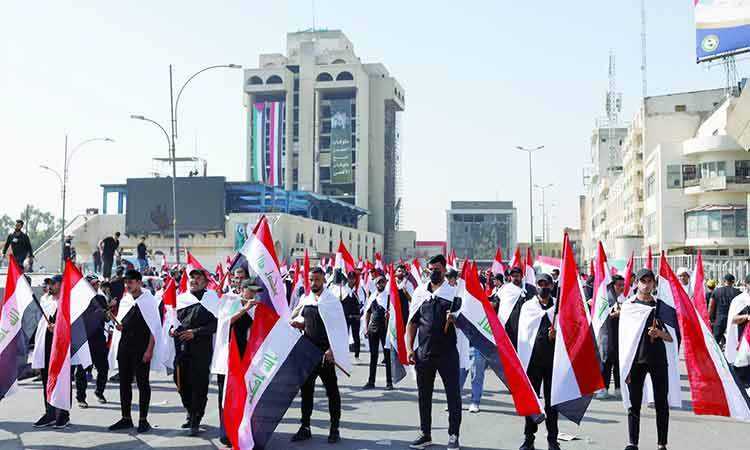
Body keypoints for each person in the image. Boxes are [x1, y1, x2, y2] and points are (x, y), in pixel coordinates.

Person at [406, 254, 462, 450]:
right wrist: (409, 348)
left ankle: (453, 435)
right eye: (430, 269)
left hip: (447, 354)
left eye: (437, 269)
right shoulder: (420, 293)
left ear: (444, 270)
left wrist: (455, 319)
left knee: (453, 395)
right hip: (424, 353)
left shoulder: (454, 294)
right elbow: (412, 323)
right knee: (424, 395)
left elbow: (464, 323)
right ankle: (425, 434)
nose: (433, 272)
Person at [289, 266, 349, 444]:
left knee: (332, 392)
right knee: (306, 392)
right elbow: (302, 319)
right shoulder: (306, 299)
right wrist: (298, 323)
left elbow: (339, 329)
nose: (314, 283)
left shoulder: (332, 301)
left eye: (317, 279)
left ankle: (334, 428)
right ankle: (305, 426)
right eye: (311, 279)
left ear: (324, 280)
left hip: (326, 355)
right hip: (308, 353)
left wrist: (332, 349)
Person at [619, 269, 676, 450]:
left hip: (659, 360)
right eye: (643, 280)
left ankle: (662, 444)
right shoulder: (629, 306)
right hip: (636, 362)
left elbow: (672, 337)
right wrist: (625, 367)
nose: (646, 284)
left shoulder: (662, 306)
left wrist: (659, 333)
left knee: (661, 404)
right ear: (637, 283)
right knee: (634, 404)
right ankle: (632, 442)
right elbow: (624, 339)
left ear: (654, 283)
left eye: (650, 281)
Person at [108, 269, 161, 433]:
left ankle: (143, 420)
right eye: (126, 282)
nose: (127, 285)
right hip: (125, 347)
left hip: (141, 348)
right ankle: (126, 418)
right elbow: (124, 323)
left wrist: (149, 350)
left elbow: (154, 328)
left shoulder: (149, 300)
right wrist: (119, 326)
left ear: (138, 282)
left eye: (130, 282)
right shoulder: (125, 300)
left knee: (142, 383)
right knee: (124, 383)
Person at [513, 273, 561, 450]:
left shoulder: (558, 307)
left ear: (551, 285)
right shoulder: (528, 307)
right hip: (532, 362)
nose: (543, 287)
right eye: (540, 284)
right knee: (531, 401)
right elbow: (523, 332)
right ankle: (529, 437)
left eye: (546, 284)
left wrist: (557, 335)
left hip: (553, 363)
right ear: (536, 286)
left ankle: (552, 439)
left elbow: (567, 332)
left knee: (552, 404)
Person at [212, 277, 260, 446]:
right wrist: (244, 309)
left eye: (256, 292)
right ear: (242, 289)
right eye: (251, 290)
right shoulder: (230, 301)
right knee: (225, 395)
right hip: (227, 355)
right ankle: (225, 431)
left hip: (244, 354)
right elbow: (224, 323)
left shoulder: (254, 308)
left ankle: (241, 430)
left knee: (243, 395)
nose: (253, 294)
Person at [171, 267, 219, 436]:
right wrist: (172, 329)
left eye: (198, 278)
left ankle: (196, 418)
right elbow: (173, 321)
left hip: (202, 349)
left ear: (206, 282)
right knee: (181, 382)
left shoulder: (212, 299)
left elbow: (215, 325)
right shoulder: (181, 299)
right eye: (192, 278)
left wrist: (195, 333)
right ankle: (190, 411)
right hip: (182, 349)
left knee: (199, 384)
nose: (194, 280)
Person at [30, 275, 70, 429]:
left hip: (61, 347)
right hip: (46, 345)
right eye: (49, 284)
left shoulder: (66, 302)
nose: (50, 286)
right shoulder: (46, 301)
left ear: (61, 285)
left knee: (62, 379)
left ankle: (63, 415)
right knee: (47, 379)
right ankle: (50, 413)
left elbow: (71, 323)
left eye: (53, 283)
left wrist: (58, 327)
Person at [74, 274, 110, 407]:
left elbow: (106, 318)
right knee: (82, 369)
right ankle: (81, 397)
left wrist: (107, 312)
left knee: (103, 368)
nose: (96, 286)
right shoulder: (79, 299)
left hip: (99, 337)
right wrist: (96, 313)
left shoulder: (101, 298)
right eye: (93, 284)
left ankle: (99, 391)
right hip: (84, 338)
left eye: (97, 284)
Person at [363, 271, 393, 390]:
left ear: (386, 283)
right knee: (373, 356)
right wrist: (366, 327)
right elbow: (367, 312)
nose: (380, 284)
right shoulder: (372, 296)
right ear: (375, 283)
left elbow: (394, 313)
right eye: (378, 282)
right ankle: (371, 381)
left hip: (385, 330)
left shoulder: (389, 296)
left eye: (382, 282)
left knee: (387, 356)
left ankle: (389, 382)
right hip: (372, 329)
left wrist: (389, 316)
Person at [597, 274, 624, 400]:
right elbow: (600, 315)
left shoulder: (622, 298)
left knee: (618, 361)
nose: (622, 288)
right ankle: (604, 388)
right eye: (619, 285)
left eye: (623, 285)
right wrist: (613, 315)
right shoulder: (606, 298)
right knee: (606, 361)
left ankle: (618, 388)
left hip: (618, 335)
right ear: (612, 286)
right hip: (606, 335)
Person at [725, 275, 750, 388]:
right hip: (743, 343)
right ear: (746, 284)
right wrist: (747, 317)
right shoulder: (739, 300)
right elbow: (733, 320)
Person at [708, 273, 741, 347]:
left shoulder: (716, 291)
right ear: (733, 282)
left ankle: (715, 357)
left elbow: (711, 306)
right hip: (733, 319)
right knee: (734, 342)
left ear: (724, 281)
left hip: (720, 318)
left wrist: (710, 318)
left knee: (715, 341)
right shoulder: (738, 292)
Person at [340, 271, 365, 359]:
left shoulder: (359, 289)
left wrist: (359, 314)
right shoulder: (343, 288)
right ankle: (344, 353)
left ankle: (357, 354)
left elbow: (363, 303)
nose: (351, 280)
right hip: (345, 316)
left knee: (356, 335)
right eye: (350, 278)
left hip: (355, 316)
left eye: (353, 278)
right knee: (344, 335)